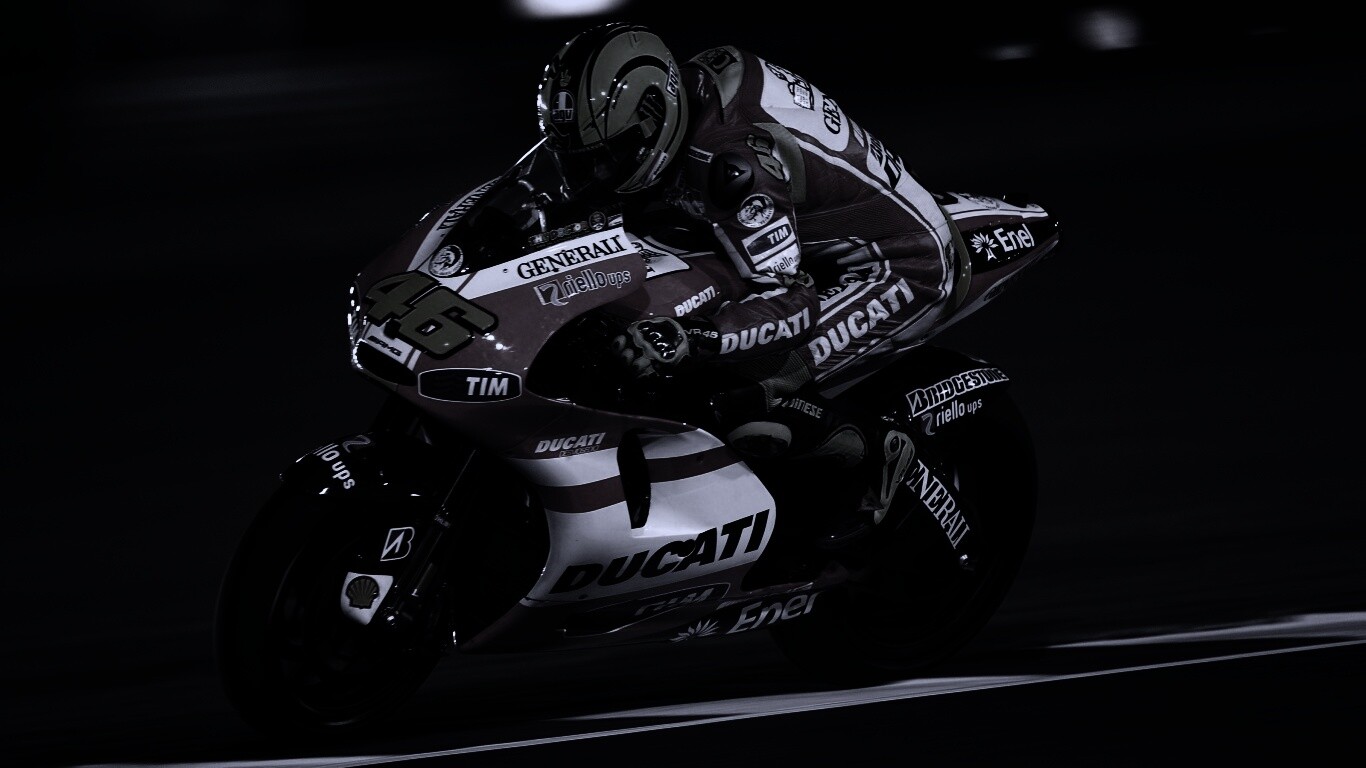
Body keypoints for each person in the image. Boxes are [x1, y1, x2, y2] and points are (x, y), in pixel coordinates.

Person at [532, 22, 961, 548]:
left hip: (898, 265)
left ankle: (878, 453)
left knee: (730, 394)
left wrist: (692, 336)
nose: (594, 175)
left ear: (654, 116)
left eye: (608, 157)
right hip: (802, 234)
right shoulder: (675, 101)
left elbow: (792, 303)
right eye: (577, 160)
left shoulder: (731, 164)